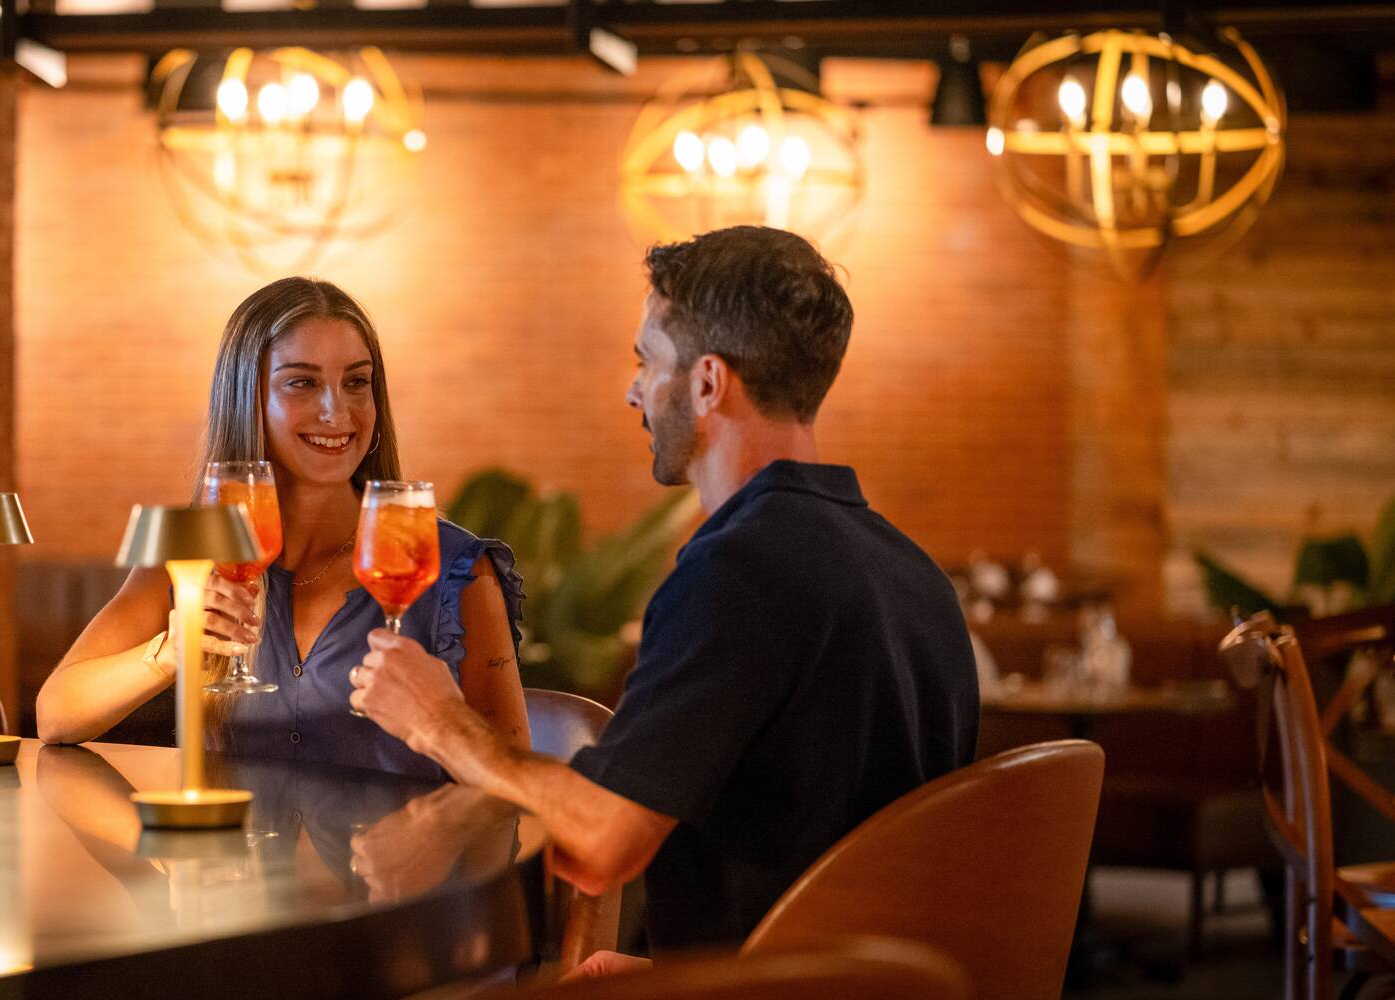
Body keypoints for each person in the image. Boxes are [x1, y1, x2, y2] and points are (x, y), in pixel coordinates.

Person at [350, 227, 980, 967]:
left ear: (708, 383)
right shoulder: (914, 573)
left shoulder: (737, 576)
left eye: (647, 360)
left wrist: (440, 723)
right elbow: (839, 866)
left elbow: (602, 841)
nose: (633, 389)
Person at [37, 277, 530, 778]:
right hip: (226, 857)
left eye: (356, 383)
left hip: (398, 856)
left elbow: (517, 783)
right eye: (303, 382)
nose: (337, 412)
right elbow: (56, 715)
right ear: (247, 399)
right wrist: (170, 653)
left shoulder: (454, 569)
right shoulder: (191, 554)